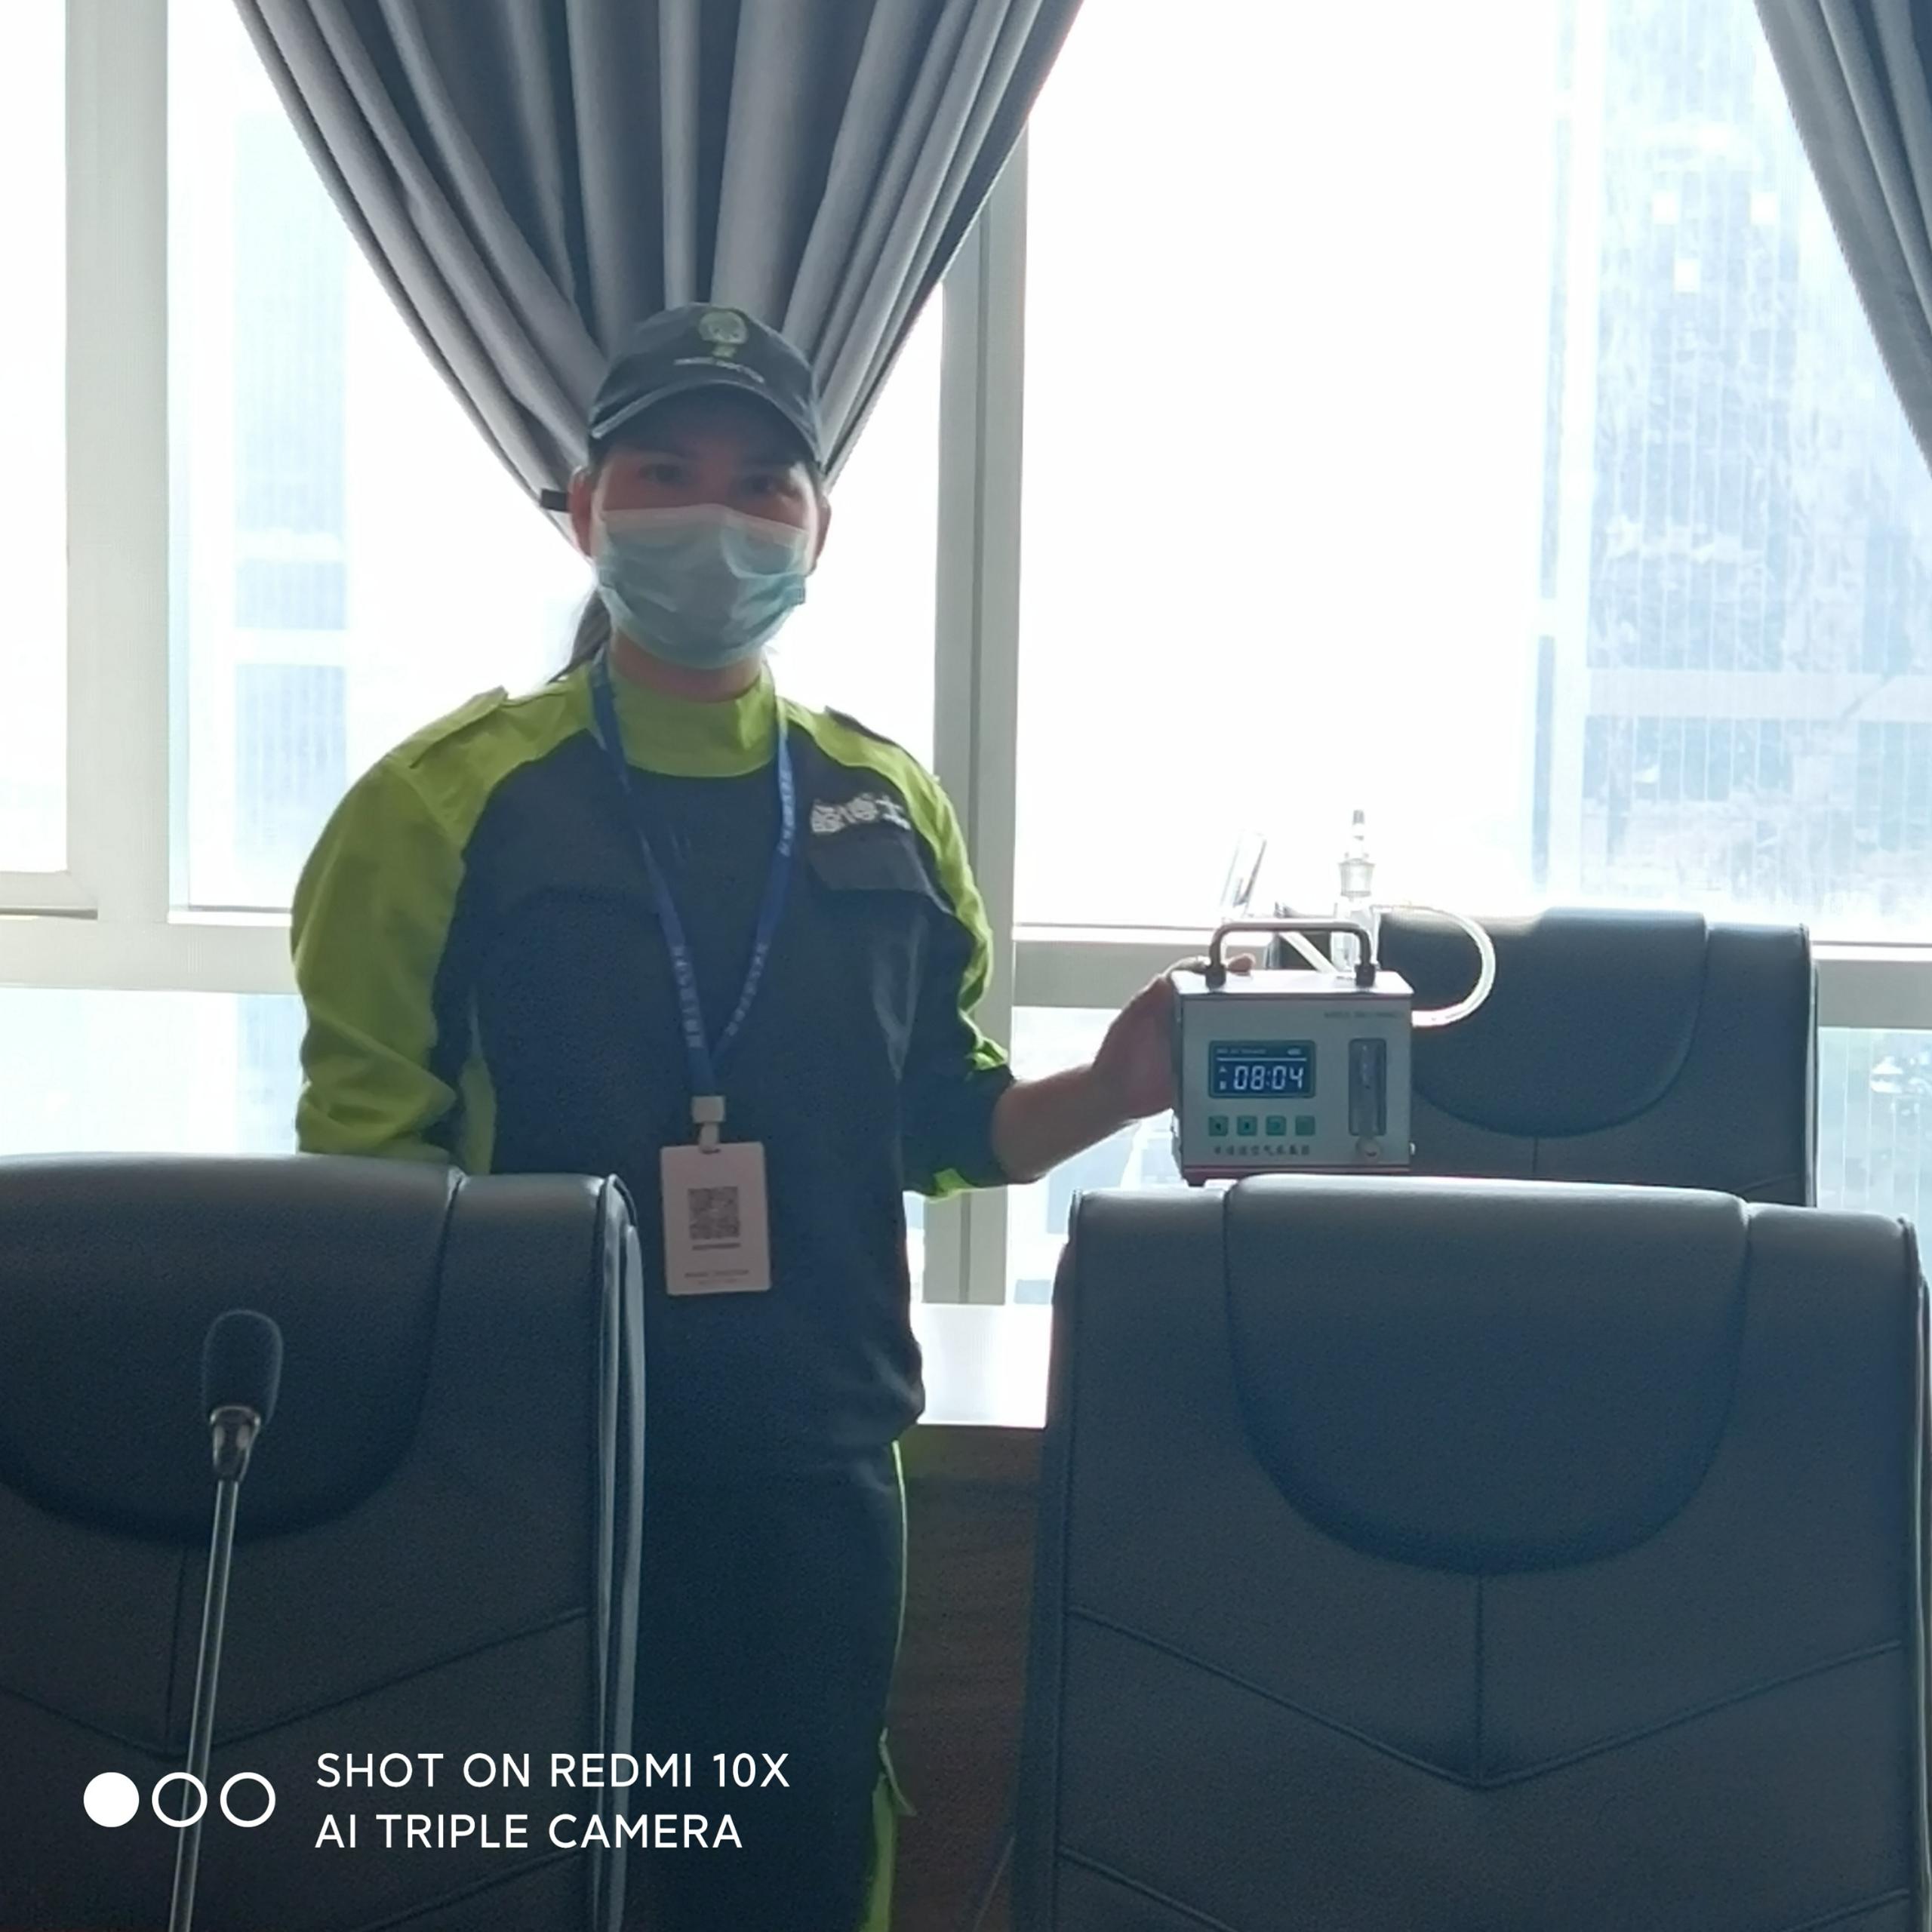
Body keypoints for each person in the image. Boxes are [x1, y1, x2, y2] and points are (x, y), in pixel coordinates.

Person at [289, 303, 1184, 1931]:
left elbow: (943, 1118)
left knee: (798, 1855)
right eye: (664, 471)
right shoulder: (443, 805)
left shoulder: (882, 801)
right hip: (538, 1458)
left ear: (818, 527)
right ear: (582, 507)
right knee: (532, 1864)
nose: (717, 513)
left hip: (817, 1453)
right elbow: (363, 1183)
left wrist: (1113, 1091)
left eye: (764, 481)